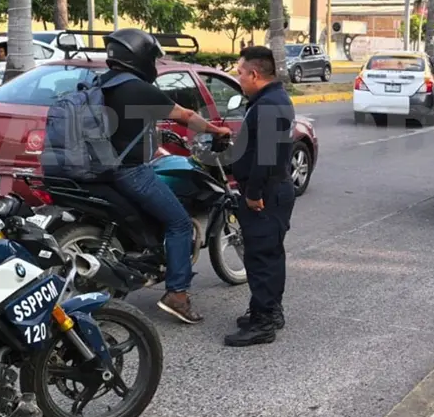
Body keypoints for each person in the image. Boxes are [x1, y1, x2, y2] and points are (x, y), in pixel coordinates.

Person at [102, 29, 232, 324]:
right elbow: (185, 115)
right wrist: (216, 130)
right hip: (130, 172)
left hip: (102, 170)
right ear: (140, 58)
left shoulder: (102, 83)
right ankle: (177, 294)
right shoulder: (137, 88)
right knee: (179, 223)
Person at [225, 46, 297, 347]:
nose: (238, 77)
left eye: (240, 72)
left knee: (262, 257)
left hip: (266, 192)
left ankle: (263, 324)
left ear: (254, 74)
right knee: (270, 254)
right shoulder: (271, 100)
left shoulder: (269, 105)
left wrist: (252, 193)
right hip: (273, 189)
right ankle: (268, 310)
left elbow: (266, 158)